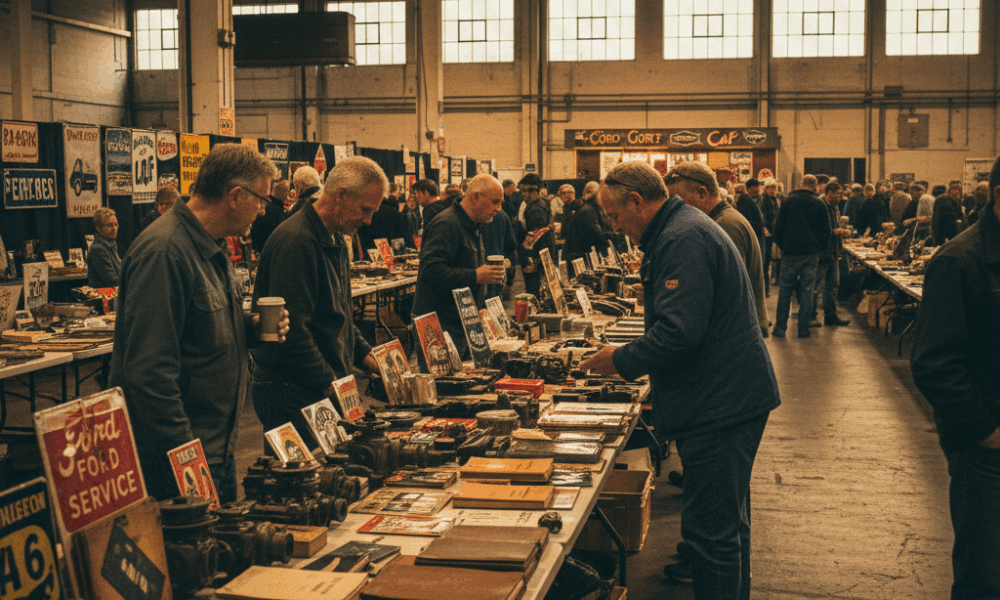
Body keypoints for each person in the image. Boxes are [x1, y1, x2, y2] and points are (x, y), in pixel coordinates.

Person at [579, 160, 779, 599]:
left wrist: (621, 359)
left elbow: (679, 332)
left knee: (711, 536)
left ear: (636, 201)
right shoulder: (681, 229)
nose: (615, 227)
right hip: (724, 395)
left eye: (615, 216)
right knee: (726, 528)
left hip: (719, 404)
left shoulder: (682, 236)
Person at [109, 143, 288, 502]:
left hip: (214, 450)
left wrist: (249, 329)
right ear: (236, 195)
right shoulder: (165, 253)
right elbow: (149, 373)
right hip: (179, 463)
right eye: (261, 200)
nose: (262, 210)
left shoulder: (211, 245)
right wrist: (186, 459)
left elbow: (198, 325)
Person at [910, 155, 1000, 600]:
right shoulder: (959, 261)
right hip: (985, 452)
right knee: (985, 575)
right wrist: (986, 429)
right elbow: (934, 362)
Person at [251, 156, 386, 447]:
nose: (368, 221)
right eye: (364, 210)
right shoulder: (297, 242)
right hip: (292, 389)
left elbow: (339, 316)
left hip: (317, 384)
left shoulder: (335, 237)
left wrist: (367, 356)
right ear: (341, 195)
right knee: (299, 484)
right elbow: (293, 333)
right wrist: (332, 384)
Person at [665, 161, 769, 338]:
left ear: (702, 193)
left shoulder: (725, 226)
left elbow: (726, 293)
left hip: (737, 337)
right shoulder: (719, 222)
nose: (675, 211)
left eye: (679, 202)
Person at [411, 174, 505, 361]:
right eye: (495, 202)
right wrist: (475, 275)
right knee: (443, 387)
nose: (498, 209)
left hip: (462, 321)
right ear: (476, 197)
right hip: (440, 324)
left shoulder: (474, 224)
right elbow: (430, 271)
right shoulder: (446, 224)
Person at [771, 174, 832, 338]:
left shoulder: (788, 201)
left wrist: (784, 247)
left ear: (801, 184)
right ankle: (803, 328)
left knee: (785, 291)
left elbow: (778, 229)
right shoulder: (819, 204)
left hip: (790, 253)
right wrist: (817, 248)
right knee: (807, 291)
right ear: (815, 186)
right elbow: (826, 232)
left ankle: (780, 328)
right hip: (810, 254)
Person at [813, 182, 851, 326]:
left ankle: (830, 316)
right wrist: (837, 231)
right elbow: (818, 229)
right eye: (838, 194)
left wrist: (841, 231)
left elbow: (836, 225)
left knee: (833, 285)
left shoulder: (835, 207)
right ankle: (811, 316)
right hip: (822, 253)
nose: (841, 197)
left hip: (834, 252)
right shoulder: (820, 206)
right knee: (816, 287)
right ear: (829, 192)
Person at [518, 173, 555, 298]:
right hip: (541, 259)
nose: (523, 194)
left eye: (526, 191)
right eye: (521, 190)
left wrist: (529, 260)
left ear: (534, 190)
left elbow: (536, 237)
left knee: (535, 293)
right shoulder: (541, 204)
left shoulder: (536, 209)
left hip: (535, 260)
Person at [563, 180, 612, 274]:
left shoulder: (589, 208)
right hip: (578, 261)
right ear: (595, 195)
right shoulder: (587, 211)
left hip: (579, 258)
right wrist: (616, 236)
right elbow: (597, 235)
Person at [250, 179, 288, 254]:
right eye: (287, 191)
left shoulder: (268, 205)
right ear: (283, 193)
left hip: (258, 248)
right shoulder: (276, 211)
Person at [88, 207, 121, 288]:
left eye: (115, 224)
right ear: (98, 228)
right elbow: (112, 280)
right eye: (109, 225)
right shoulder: (98, 249)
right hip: (103, 298)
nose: (114, 228)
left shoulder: (111, 245)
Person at [761, 179, 781, 295]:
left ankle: (775, 281)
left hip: (775, 233)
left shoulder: (776, 200)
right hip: (767, 234)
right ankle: (765, 289)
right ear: (766, 189)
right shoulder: (763, 200)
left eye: (774, 188)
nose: (772, 190)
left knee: (776, 258)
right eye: (770, 188)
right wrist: (765, 229)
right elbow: (762, 215)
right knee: (766, 261)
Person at [931, 181, 964, 246]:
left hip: (942, 235)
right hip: (945, 235)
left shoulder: (953, 200)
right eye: (955, 189)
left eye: (959, 190)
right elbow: (949, 220)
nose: (958, 192)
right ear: (950, 190)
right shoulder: (944, 200)